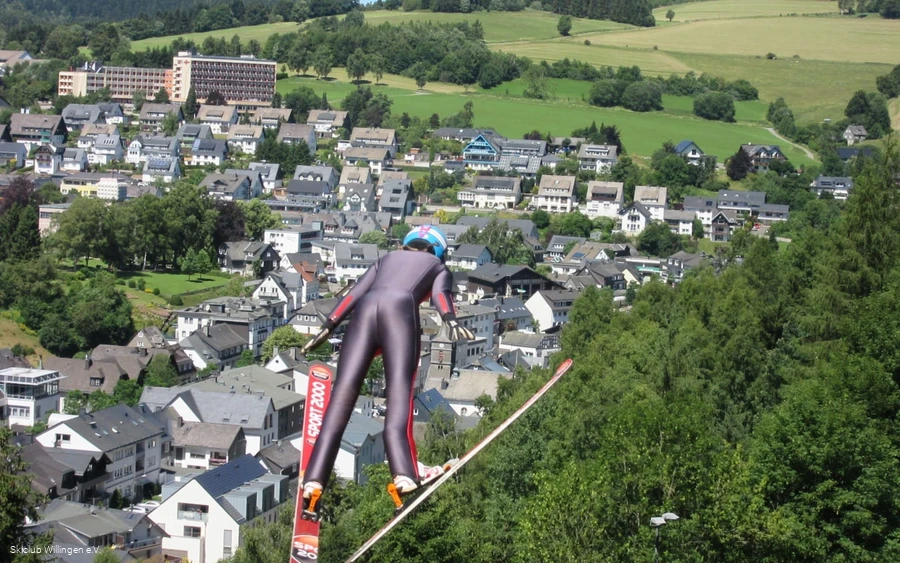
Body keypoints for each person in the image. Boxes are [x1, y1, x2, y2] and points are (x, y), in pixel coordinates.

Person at [301, 225, 475, 504]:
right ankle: (404, 473)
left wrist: (328, 325)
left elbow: (354, 293)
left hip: (364, 314)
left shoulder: (385, 259)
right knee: (398, 396)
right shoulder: (436, 266)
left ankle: (313, 478)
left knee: (341, 399)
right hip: (399, 313)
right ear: (440, 251)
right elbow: (441, 294)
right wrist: (450, 319)